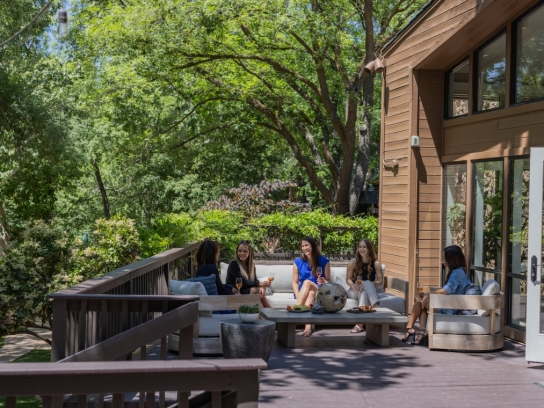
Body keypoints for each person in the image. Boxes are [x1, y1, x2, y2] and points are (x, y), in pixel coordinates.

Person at [403, 244, 480, 345]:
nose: (443, 260)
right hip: (451, 305)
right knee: (422, 303)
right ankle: (420, 332)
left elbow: (447, 290)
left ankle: (410, 329)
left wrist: (428, 294)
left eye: (445, 257)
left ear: (451, 259)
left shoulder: (457, 273)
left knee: (419, 302)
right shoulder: (459, 271)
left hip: (450, 308)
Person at [292, 236, 330, 337]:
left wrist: (324, 281)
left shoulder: (324, 261)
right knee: (310, 294)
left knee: (307, 282)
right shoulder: (298, 262)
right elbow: (295, 282)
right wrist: (298, 294)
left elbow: (328, 282)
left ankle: (294, 312)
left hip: (319, 289)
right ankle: (308, 327)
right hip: (304, 292)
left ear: (313, 246)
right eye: (302, 246)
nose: (304, 248)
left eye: (306, 245)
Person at [345, 239, 383, 333]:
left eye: (364, 247)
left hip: (366, 290)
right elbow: (348, 279)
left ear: (369, 249)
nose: (362, 249)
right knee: (366, 285)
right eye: (360, 247)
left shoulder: (376, 264)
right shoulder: (353, 262)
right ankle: (376, 306)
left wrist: (367, 284)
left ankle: (359, 324)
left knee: (364, 293)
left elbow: (380, 282)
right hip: (354, 290)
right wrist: (354, 286)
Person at [226, 240, 272, 308]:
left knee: (260, 292)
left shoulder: (251, 266)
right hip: (236, 290)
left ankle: (265, 314)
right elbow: (242, 282)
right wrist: (259, 284)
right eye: (239, 251)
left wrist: (261, 286)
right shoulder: (234, 265)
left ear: (249, 253)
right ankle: (270, 312)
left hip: (246, 289)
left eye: (245, 251)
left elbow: (254, 280)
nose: (242, 253)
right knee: (258, 291)